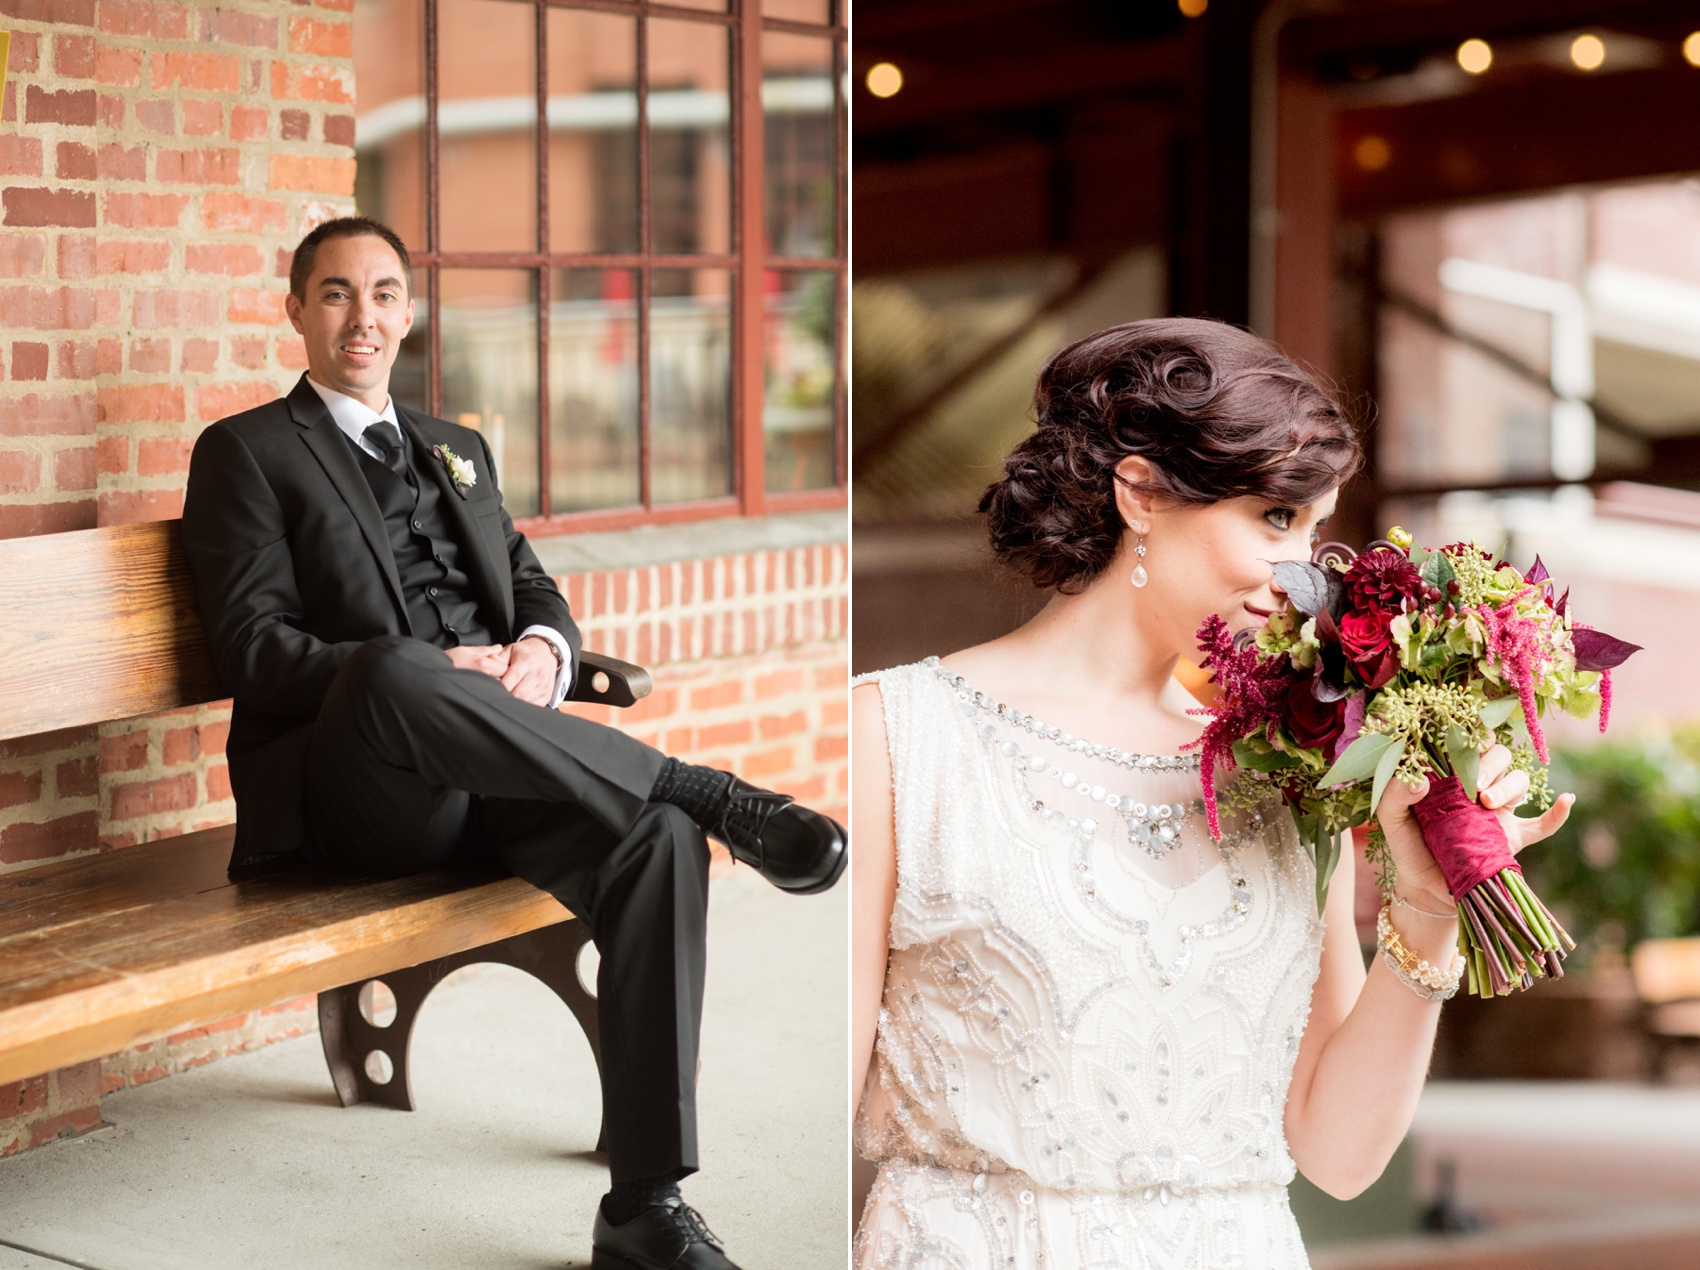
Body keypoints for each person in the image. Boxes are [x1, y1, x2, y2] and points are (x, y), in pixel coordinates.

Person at [180, 215, 847, 1270]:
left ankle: (644, 1205)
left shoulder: (460, 447)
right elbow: (257, 651)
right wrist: (432, 672)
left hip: (493, 774)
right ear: (297, 307)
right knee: (395, 665)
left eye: (385, 292)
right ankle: (709, 789)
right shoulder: (248, 452)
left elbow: (530, 582)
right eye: (338, 292)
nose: (364, 315)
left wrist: (542, 646)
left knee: (657, 843)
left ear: (409, 310)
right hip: (357, 794)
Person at [849, 318, 1573, 1268]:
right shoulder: (895, 736)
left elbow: (1339, 1154)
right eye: (1276, 518)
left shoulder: (1281, 767)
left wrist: (1430, 909)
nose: (1306, 575)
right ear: (1140, 491)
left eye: (1316, 530)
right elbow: (813, 1109)